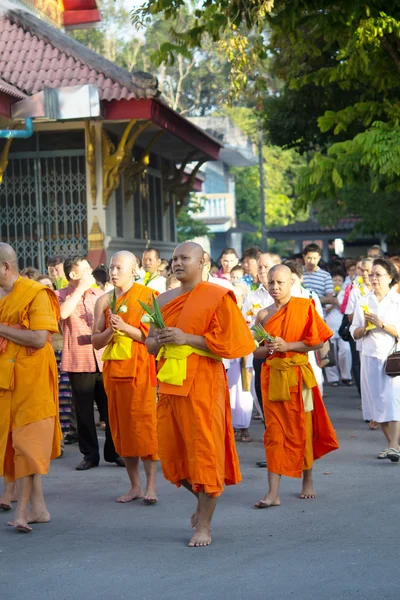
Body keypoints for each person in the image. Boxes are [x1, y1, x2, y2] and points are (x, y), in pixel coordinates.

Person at [146, 242, 256, 547]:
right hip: (170, 383)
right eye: (175, 258)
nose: (178, 263)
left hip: (204, 384)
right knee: (172, 452)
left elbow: (235, 342)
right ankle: (201, 501)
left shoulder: (217, 296)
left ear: (202, 261)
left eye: (185, 258)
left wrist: (187, 338)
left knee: (204, 452)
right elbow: (149, 345)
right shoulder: (164, 298)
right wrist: (160, 340)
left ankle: (204, 525)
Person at [254, 265, 339, 508]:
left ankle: (307, 480)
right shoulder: (263, 315)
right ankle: (273, 493)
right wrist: (271, 348)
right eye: (271, 283)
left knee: (303, 427)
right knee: (274, 433)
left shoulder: (304, 307)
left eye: (280, 282)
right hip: (272, 379)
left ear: (292, 283)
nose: (275, 287)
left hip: (298, 377)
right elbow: (256, 350)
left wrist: (288, 346)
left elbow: (315, 343)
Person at [0, 243, 61, 532]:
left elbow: (39, 339)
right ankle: (39, 508)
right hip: (5, 379)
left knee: (27, 444)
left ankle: (22, 511)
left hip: (32, 377)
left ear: (5, 267)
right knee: (15, 445)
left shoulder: (36, 294)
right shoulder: (2, 295)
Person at [92, 251, 159, 504]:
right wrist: (111, 329)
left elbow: (152, 338)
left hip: (140, 370)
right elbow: (95, 341)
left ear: (134, 270)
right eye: (111, 267)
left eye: (120, 267)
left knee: (144, 427)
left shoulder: (148, 297)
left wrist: (126, 328)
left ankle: (151, 486)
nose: (114, 272)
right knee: (121, 429)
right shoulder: (103, 301)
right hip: (114, 372)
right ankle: (135, 486)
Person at [56, 256, 121, 470]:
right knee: (84, 412)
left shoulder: (100, 295)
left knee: (110, 409)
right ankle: (90, 455)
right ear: (73, 275)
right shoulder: (61, 295)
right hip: (79, 360)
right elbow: (63, 314)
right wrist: (79, 289)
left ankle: (114, 452)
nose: (90, 271)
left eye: (89, 267)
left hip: (103, 359)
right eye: (84, 269)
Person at [351, 259, 400, 461]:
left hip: (391, 358)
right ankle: (393, 445)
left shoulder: (396, 302)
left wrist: (381, 324)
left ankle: (392, 445)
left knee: (392, 400)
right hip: (369, 355)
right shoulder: (364, 300)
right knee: (376, 404)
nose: (373, 278)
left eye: (378, 275)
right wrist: (364, 328)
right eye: (372, 275)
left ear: (390, 278)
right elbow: (354, 332)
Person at [285, 260, 324, 395]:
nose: (291, 285)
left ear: (301, 278)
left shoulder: (311, 296)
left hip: (308, 344)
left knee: (314, 379)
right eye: (288, 281)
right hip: (287, 346)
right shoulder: (282, 298)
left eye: (293, 280)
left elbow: (320, 322)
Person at [344, 258, 374, 401]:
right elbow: (349, 316)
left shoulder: (384, 289)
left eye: (368, 270)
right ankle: (366, 400)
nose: (365, 274)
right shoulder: (356, 289)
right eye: (362, 270)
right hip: (362, 334)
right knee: (362, 369)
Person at [325, 271, 353, 386]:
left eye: (339, 280)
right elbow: (324, 310)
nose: (337, 282)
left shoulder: (346, 294)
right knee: (330, 352)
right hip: (329, 325)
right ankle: (333, 378)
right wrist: (332, 302)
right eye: (334, 280)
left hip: (342, 326)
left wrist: (337, 302)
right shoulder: (328, 294)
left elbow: (346, 310)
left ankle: (346, 376)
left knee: (345, 351)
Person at [302, 243, 335, 308]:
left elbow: (329, 298)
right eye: (309, 258)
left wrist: (311, 301)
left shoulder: (326, 276)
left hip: (319, 314)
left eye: (314, 258)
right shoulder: (297, 274)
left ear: (319, 258)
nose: (311, 261)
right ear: (304, 257)